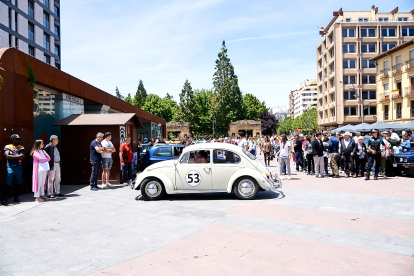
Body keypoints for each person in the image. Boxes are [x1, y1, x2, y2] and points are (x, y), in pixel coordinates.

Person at [2, 134, 25, 205]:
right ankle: (5, 198)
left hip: (19, 167)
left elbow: (22, 157)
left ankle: (16, 197)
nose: (19, 140)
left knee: (18, 183)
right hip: (10, 167)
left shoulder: (21, 147)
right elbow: (7, 156)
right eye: (17, 139)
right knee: (8, 183)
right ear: (12, 139)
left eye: (19, 139)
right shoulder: (7, 146)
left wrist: (12, 154)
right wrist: (18, 156)